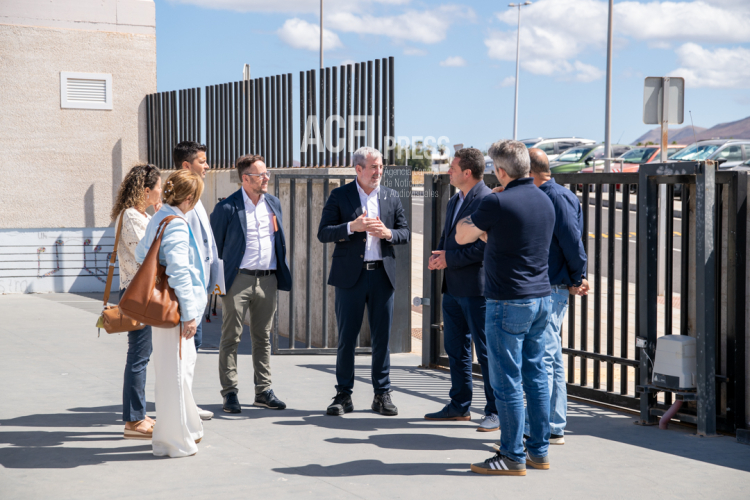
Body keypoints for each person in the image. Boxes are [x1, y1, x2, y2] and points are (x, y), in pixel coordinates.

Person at [456, 140, 555, 476]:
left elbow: (461, 235)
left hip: (508, 301)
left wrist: (482, 221)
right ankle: (538, 451)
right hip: (541, 299)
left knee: (507, 381)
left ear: (500, 171)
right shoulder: (544, 199)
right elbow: (519, 237)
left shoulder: (497, 201)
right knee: (536, 377)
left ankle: (512, 456)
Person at [317, 146, 410, 416]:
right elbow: (323, 232)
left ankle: (382, 394)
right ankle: (343, 395)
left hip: (382, 275)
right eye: (373, 167)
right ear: (358, 169)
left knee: (382, 339)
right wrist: (351, 227)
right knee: (347, 338)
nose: (378, 172)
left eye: (381, 167)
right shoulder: (340, 195)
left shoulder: (391, 196)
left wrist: (388, 233)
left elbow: (404, 232)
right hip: (350, 278)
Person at [210, 154, 292, 413]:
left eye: (267, 173)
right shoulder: (227, 208)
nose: (266, 178)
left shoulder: (273, 203)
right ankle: (230, 392)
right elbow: (215, 248)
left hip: (268, 279)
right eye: (260, 175)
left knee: (263, 337)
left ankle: (263, 391)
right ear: (245, 179)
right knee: (231, 337)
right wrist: (217, 284)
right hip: (238, 279)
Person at [424, 148, 498, 431]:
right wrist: (439, 255)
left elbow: (485, 246)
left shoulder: (488, 200)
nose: (448, 172)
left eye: (452, 168)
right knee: (456, 349)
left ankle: (494, 411)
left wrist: (449, 259)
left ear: (467, 172)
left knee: (486, 352)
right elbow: (449, 237)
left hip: (477, 290)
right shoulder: (455, 199)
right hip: (452, 287)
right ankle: (459, 406)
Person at [135, 169, 207, 458]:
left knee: (173, 372)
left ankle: (186, 429)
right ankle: (173, 441)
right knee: (176, 375)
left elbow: (141, 254)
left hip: (164, 309)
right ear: (188, 199)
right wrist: (189, 314)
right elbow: (179, 272)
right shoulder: (175, 224)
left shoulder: (159, 217)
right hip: (175, 310)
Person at [521, 147, 589, 445]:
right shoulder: (548, 195)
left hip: (551, 288)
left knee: (544, 358)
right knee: (551, 357)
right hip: (550, 287)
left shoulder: (556, 197)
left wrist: (577, 277)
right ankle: (554, 425)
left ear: (529, 172)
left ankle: (538, 429)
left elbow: (572, 242)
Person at [111, 164, 161, 439]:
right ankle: (133, 420)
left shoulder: (142, 215)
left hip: (143, 294)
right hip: (136, 294)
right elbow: (148, 254)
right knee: (138, 356)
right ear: (146, 191)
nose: (162, 192)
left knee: (142, 355)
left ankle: (137, 413)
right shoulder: (131, 216)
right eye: (159, 188)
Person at [174, 141, 222, 421]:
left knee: (192, 350)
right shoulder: (182, 203)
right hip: (189, 294)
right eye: (202, 161)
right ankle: (183, 408)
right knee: (186, 352)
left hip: (199, 291)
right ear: (186, 165)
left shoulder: (196, 196)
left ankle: (186, 404)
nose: (207, 166)